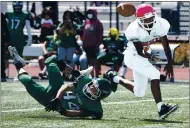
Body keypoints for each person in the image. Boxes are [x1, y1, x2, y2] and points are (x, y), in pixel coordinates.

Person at [105, 3, 177, 120]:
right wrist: (150, 57)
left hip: (143, 56)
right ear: (139, 20)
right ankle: (161, 108)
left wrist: (170, 64)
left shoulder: (160, 24)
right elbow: (140, 52)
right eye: (146, 19)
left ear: (155, 16)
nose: (149, 21)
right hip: (133, 56)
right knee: (155, 74)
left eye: (151, 18)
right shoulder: (133, 29)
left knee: (139, 92)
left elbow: (166, 46)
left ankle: (114, 77)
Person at [8, 46, 117, 119]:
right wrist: (57, 98)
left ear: (100, 97)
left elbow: (75, 113)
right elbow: (65, 87)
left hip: (48, 100)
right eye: (93, 86)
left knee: (26, 81)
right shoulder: (86, 82)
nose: (90, 89)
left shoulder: (95, 109)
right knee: (51, 61)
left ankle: (19, 64)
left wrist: (61, 110)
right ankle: (76, 72)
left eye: (94, 90)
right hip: (58, 89)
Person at [6, 1, 32, 81]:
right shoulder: (8, 14)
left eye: (18, 6)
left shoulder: (25, 15)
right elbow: (4, 26)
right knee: (5, 57)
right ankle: (4, 73)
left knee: (18, 57)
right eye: (15, 6)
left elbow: (28, 27)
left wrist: (30, 38)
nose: (17, 8)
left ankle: (18, 74)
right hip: (9, 38)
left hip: (19, 38)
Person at [82, 9, 103, 79]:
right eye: (89, 13)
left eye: (91, 13)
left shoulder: (98, 23)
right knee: (89, 62)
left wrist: (97, 45)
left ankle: (96, 75)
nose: (90, 15)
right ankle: (91, 76)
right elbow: (84, 34)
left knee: (95, 61)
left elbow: (100, 36)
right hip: (86, 46)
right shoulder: (86, 22)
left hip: (94, 46)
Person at [1, 13, 10, 82]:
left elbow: (5, 29)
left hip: (1, 40)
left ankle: (2, 75)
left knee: (1, 58)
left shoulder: (1, 15)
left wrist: (6, 41)